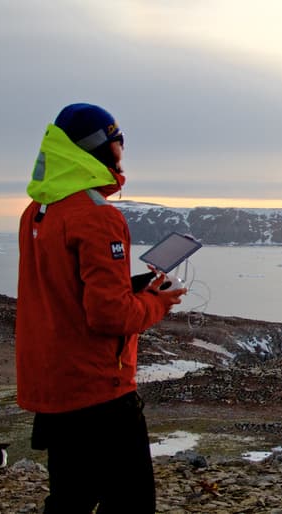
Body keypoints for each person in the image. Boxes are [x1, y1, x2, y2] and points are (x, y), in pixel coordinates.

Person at [16, 103, 186, 513]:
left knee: (70, 500)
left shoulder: (38, 211)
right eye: (118, 142)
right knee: (130, 503)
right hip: (100, 392)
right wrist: (158, 302)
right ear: (100, 149)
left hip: (55, 385)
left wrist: (130, 287)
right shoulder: (97, 217)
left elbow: (65, 293)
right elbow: (109, 316)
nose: (122, 152)